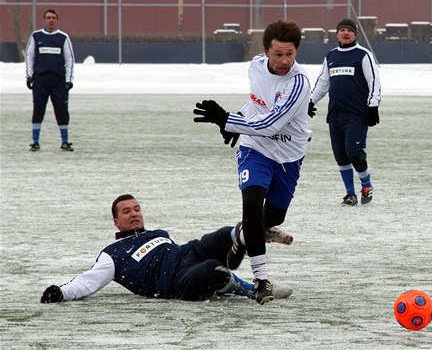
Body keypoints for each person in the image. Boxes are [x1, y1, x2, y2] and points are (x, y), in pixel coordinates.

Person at [192, 20, 311, 304]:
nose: (284, 61)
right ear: (265, 52)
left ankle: (242, 236)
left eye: (290, 54)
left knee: (273, 216)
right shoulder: (255, 66)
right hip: (254, 148)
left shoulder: (299, 82)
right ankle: (261, 280)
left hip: (288, 156)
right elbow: (257, 104)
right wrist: (237, 121)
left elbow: (271, 123)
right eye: (278, 54)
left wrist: (226, 120)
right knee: (252, 204)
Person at [40, 194, 294, 304]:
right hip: (174, 282)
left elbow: (177, 250)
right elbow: (87, 282)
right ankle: (252, 290)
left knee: (221, 235)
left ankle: (247, 235)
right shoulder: (113, 254)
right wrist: (61, 293)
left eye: (137, 209)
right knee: (212, 271)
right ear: (116, 221)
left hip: (188, 253)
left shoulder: (158, 233)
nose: (134, 214)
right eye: (127, 212)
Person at [309, 18, 381, 206]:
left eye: (349, 30)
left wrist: (373, 106)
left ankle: (366, 184)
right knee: (340, 155)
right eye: (342, 30)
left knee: (354, 150)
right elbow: (323, 84)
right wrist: (309, 102)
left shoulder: (363, 55)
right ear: (337, 34)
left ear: (355, 34)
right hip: (335, 115)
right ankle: (350, 194)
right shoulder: (331, 56)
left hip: (357, 114)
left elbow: (374, 81)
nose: (345, 33)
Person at [25, 9, 75, 152]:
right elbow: (29, 57)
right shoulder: (36, 36)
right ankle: (35, 142)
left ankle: (65, 141)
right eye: (48, 17)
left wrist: (69, 80)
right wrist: (29, 76)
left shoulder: (63, 37)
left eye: (53, 17)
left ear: (57, 20)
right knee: (38, 109)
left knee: (61, 110)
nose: (51, 20)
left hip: (58, 82)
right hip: (41, 81)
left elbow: (69, 60)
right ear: (44, 20)